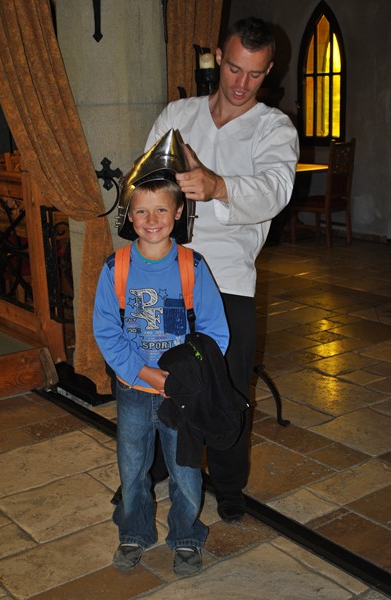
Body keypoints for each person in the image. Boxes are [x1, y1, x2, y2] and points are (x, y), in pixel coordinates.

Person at [145, 16, 300, 522]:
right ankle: (151, 470)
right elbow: (146, 179)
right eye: (234, 68)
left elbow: (275, 191)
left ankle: (230, 486)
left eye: (254, 74)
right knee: (158, 379)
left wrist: (217, 186)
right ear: (218, 56)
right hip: (167, 270)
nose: (240, 83)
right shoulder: (179, 114)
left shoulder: (274, 127)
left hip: (228, 277)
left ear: (268, 71)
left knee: (229, 388)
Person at [93, 131, 230, 576]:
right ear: (128, 215)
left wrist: (185, 379)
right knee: (132, 467)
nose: (151, 220)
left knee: (185, 468)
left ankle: (186, 536)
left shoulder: (194, 267)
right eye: (141, 210)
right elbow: (106, 331)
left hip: (181, 395)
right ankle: (134, 531)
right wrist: (144, 373)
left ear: (178, 212)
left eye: (161, 210)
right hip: (133, 389)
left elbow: (214, 333)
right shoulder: (115, 268)